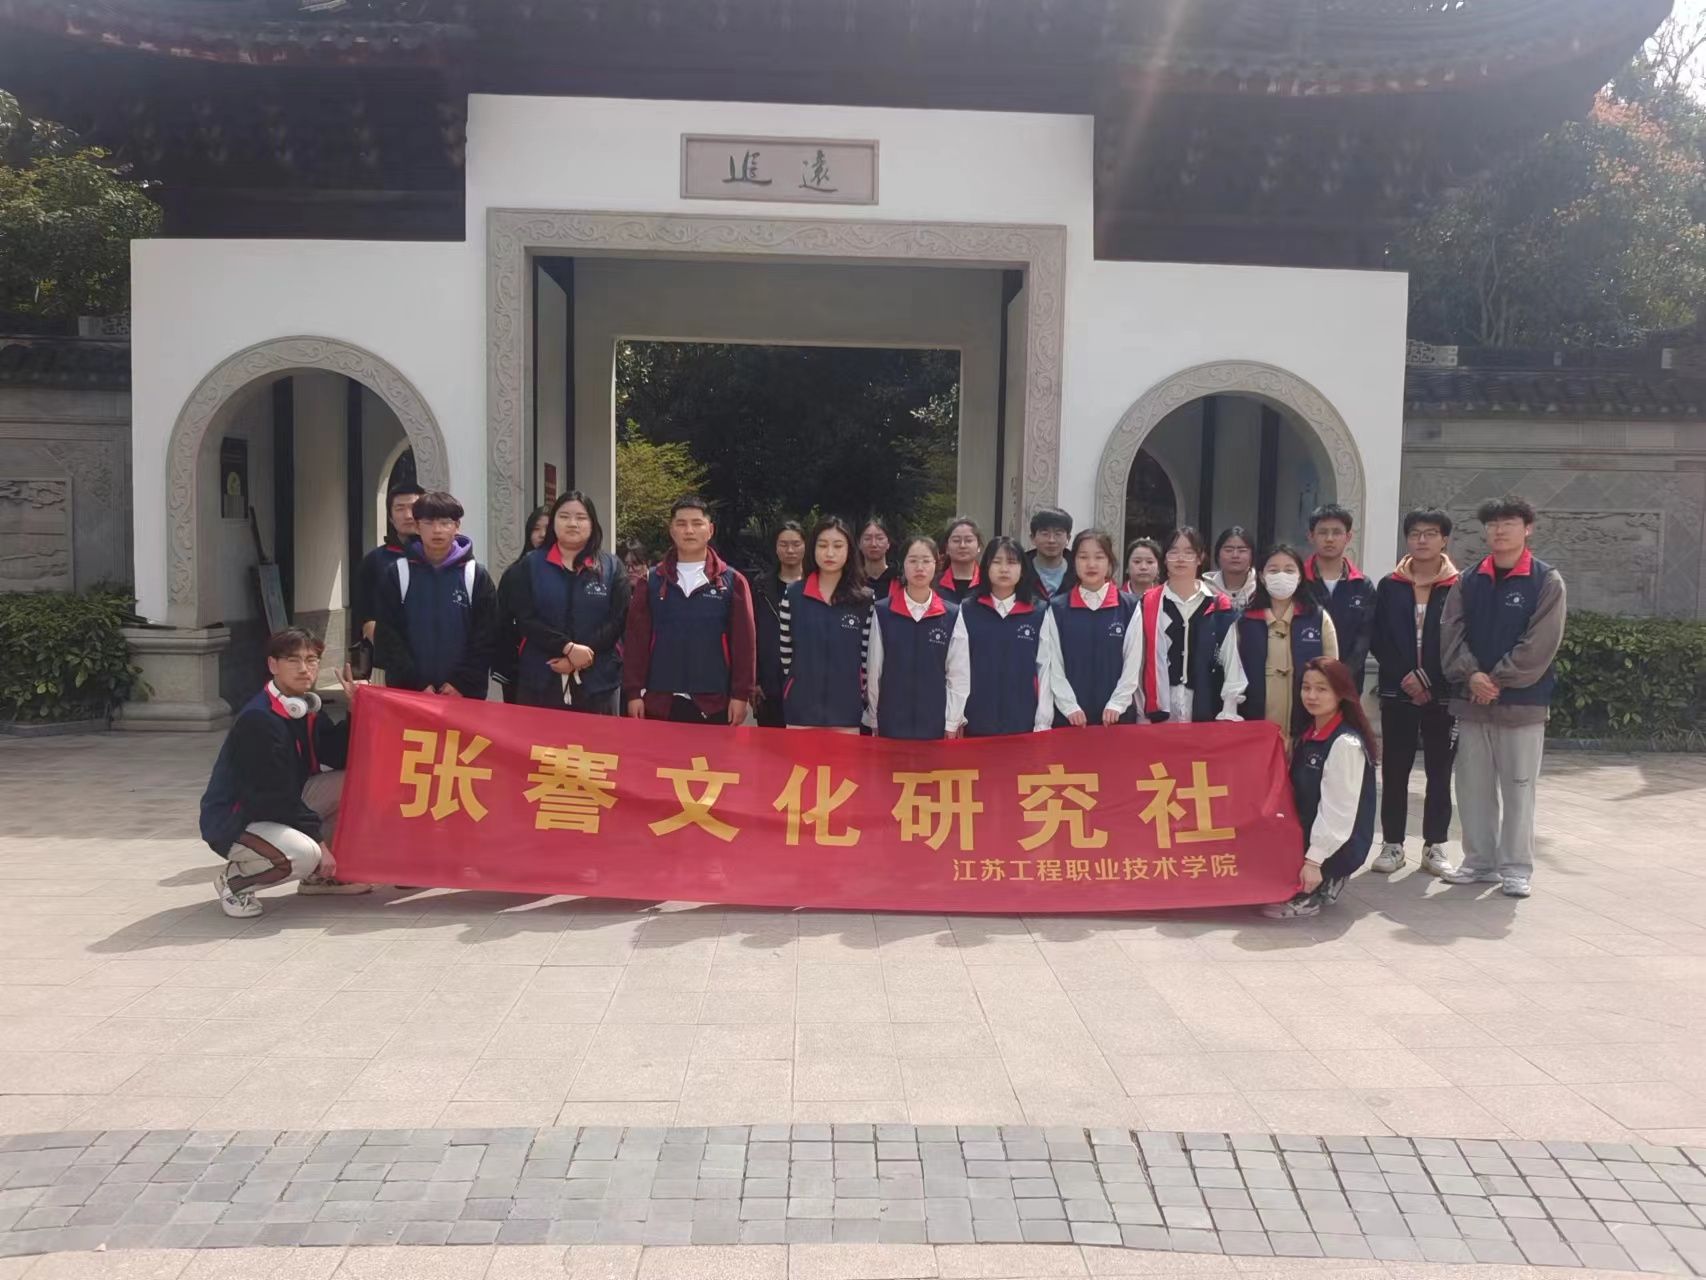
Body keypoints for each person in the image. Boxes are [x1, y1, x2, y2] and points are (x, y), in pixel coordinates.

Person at [1438, 495, 1566, 899]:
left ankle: (1515, 868)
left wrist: (1495, 679)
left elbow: (1541, 643)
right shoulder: (1468, 580)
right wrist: (1471, 675)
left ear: (1527, 528)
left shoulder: (1546, 581)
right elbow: (1451, 633)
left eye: (1509, 522)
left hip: (1523, 706)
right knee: (1472, 789)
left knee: (1518, 789)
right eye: (1493, 523)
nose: (1499, 530)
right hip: (1472, 704)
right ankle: (1479, 862)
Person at [200, 628, 367, 917]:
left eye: (311, 660)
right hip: (237, 820)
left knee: (357, 785)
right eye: (293, 660)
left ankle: (317, 878)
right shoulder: (259, 719)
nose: (304, 669)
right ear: (273, 665)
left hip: (277, 806)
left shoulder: (304, 707)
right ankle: (235, 883)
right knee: (305, 854)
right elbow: (271, 796)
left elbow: (338, 756)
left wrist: (355, 710)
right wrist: (320, 843)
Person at [1370, 508, 1461, 877]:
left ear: (1444, 539)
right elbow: (1378, 636)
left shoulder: (1459, 586)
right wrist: (1406, 675)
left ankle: (1434, 845)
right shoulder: (1390, 586)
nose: (1422, 540)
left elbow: (1460, 639)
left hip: (1443, 694)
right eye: (1415, 533)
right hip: (1398, 690)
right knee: (1395, 771)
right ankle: (1392, 844)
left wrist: (1429, 679)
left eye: (1431, 533)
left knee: (1440, 772)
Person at [622, 494, 758, 725]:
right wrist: (634, 693)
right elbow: (637, 642)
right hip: (660, 701)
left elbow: (744, 644)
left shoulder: (731, 582)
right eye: (681, 524)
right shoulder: (651, 581)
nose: (689, 530)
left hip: (715, 701)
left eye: (697, 523)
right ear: (671, 530)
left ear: (710, 530)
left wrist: (741, 694)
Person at [1261, 657, 1379, 920]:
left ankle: (1324, 879)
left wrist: (1314, 861)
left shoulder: (1345, 743)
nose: (1311, 696)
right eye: (1306, 688)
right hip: (1307, 831)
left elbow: (1338, 812)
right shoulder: (1309, 735)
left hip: (1336, 843)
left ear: (1341, 693)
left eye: (1322, 689)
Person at [503, 491, 631, 714]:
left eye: (581, 517)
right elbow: (525, 618)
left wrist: (579, 657)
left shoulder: (611, 567)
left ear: (592, 524)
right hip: (541, 679)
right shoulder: (529, 566)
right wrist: (567, 648)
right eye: (564, 516)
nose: (572, 523)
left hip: (599, 682)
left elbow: (618, 619)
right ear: (553, 523)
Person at [372, 490, 498, 699]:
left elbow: (486, 636)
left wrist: (462, 683)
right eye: (429, 522)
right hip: (411, 694)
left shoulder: (475, 575)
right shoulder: (398, 573)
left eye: (445, 522)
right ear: (417, 526)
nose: (437, 530)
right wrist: (416, 683)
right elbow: (388, 635)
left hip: (463, 695)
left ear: (457, 526)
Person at [1227, 545, 1339, 752]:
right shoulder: (1244, 622)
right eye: (1273, 570)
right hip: (1254, 730)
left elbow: (1333, 674)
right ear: (1262, 577)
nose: (1281, 576)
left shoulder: (1317, 618)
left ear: (1299, 576)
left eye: (1289, 570)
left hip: (1306, 729)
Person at [1036, 529, 1143, 728]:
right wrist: (1069, 706)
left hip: (1117, 718)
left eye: (1099, 557)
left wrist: (1117, 704)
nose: (1091, 564)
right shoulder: (1058, 608)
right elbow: (1054, 665)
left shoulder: (1129, 607)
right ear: (1074, 562)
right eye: (1083, 557)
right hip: (1071, 719)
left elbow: (1133, 662)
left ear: (1109, 562)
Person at [867, 534, 969, 739]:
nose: (919, 567)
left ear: (936, 564)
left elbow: (958, 674)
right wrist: (873, 718)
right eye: (913, 561)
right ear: (903, 565)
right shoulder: (883, 611)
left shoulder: (951, 614)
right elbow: (874, 670)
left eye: (926, 561)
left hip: (935, 721)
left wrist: (952, 721)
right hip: (891, 720)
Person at [1136, 527, 1242, 722]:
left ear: (1200, 558)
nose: (1180, 559)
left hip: (1205, 702)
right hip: (1160, 705)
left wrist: (1229, 707)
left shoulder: (1218, 605)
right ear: (1164, 559)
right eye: (1173, 552)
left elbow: (1231, 659)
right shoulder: (1148, 603)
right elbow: (1139, 660)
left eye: (1188, 552)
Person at [781, 517, 873, 733]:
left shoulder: (864, 599)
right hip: (801, 710)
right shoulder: (793, 594)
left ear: (849, 550)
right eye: (822, 545)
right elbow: (786, 653)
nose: (829, 553)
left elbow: (866, 656)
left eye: (838, 546)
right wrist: (795, 684)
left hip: (846, 711)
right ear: (812, 549)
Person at [961, 536, 1049, 736]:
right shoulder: (968, 610)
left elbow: (1045, 668)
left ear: (1022, 569)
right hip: (976, 716)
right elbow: (958, 667)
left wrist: (1043, 719)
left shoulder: (1039, 611)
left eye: (1011, 562)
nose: (1004, 569)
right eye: (997, 562)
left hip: (1023, 717)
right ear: (986, 567)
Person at [1303, 503, 1376, 693]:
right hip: (1304, 682)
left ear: (1348, 537)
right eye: (1323, 532)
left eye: (1336, 532)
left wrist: (1343, 674)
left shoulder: (1362, 585)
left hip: (1348, 683)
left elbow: (1364, 637)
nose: (1329, 539)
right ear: (1311, 536)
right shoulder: (1298, 582)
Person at [352, 482, 423, 647]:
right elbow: (365, 616)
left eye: (414, 507)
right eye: (400, 509)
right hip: (389, 655)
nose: (408, 515)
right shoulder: (374, 561)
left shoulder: (440, 558)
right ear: (390, 517)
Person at [494, 505, 551, 704]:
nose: (542, 535)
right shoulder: (515, 573)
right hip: (519, 668)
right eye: (536, 529)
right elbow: (502, 621)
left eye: (547, 528)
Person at [753, 520, 806, 728]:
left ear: (805, 546)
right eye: (783, 544)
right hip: (770, 685)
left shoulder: (816, 585)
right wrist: (755, 680)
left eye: (796, 544)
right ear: (776, 548)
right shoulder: (760, 587)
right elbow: (751, 635)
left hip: (806, 682)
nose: (790, 550)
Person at [1025, 507, 1075, 599]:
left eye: (1058, 533)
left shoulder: (1078, 570)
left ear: (1068, 538)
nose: (1051, 540)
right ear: (1032, 538)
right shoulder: (1021, 569)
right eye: (1045, 533)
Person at [1204, 526, 1257, 610]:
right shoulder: (1204, 591)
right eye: (1228, 550)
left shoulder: (1262, 588)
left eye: (1242, 550)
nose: (1235, 555)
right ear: (1218, 555)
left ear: (1252, 555)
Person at [937, 516, 984, 602]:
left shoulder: (989, 584)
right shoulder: (933, 584)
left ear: (979, 547)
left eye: (969, 540)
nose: (962, 545)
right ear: (947, 547)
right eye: (956, 540)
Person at [857, 518, 897, 599]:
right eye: (867, 539)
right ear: (859, 544)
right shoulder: (853, 581)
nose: (873, 544)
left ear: (888, 543)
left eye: (880, 538)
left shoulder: (899, 580)